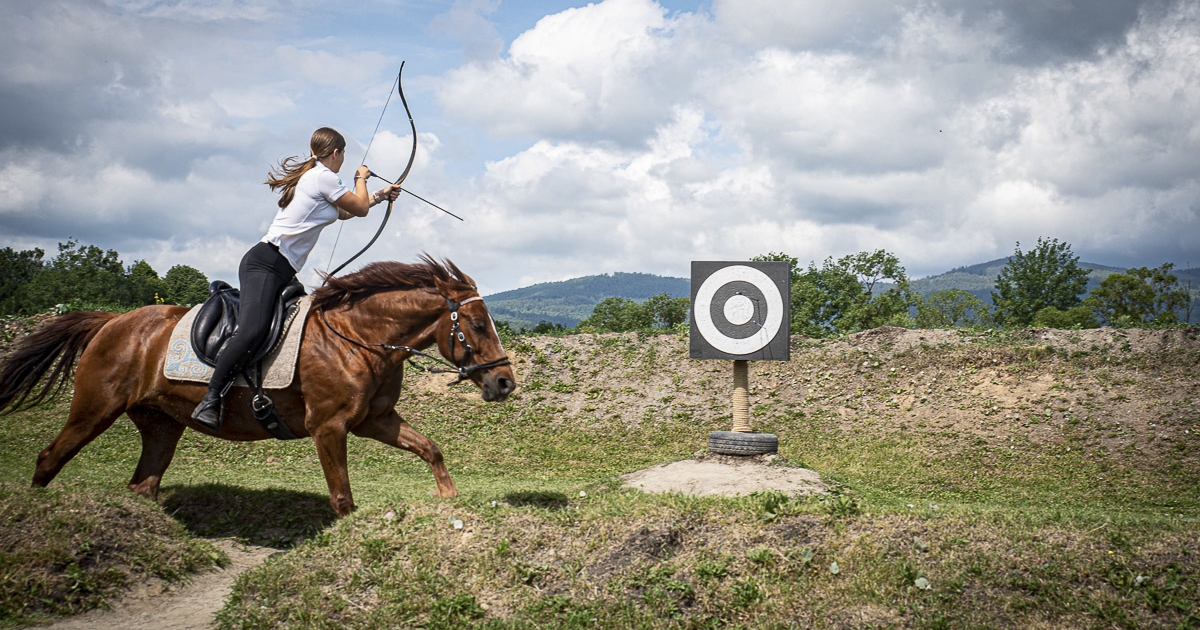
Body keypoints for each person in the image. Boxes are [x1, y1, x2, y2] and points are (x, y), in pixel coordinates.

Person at [191, 127, 401, 430]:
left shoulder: (318, 178)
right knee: (252, 330)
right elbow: (360, 209)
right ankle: (210, 399)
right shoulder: (323, 176)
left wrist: (380, 195)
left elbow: (346, 212)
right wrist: (363, 178)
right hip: (265, 263)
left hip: (281, 269)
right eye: (344, 156)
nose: (344, 162)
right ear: (336, 153)